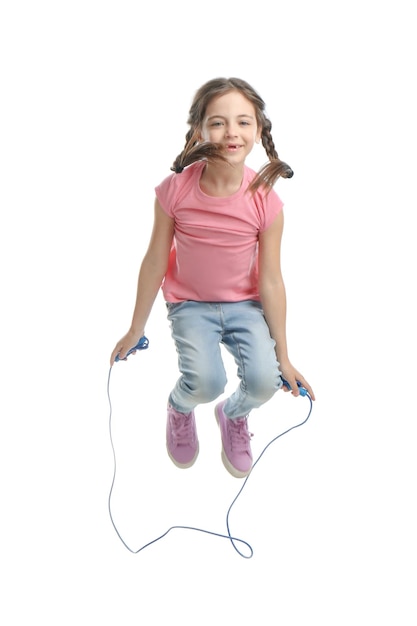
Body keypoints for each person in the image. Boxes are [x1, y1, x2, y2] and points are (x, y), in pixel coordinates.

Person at [110, 77, 315, 479]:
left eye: (243, 122)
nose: (231, 132)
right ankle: (179, 407)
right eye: (218, 122)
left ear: (258, 130)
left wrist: (284, 358)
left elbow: (271, 280)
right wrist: (135, 328)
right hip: (190, 305)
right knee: (205, 383)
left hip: (245, 305)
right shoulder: (174, 191)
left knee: (264, 383)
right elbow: (154, 260)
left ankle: (232, 415)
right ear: (199, 130)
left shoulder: (266, 201)